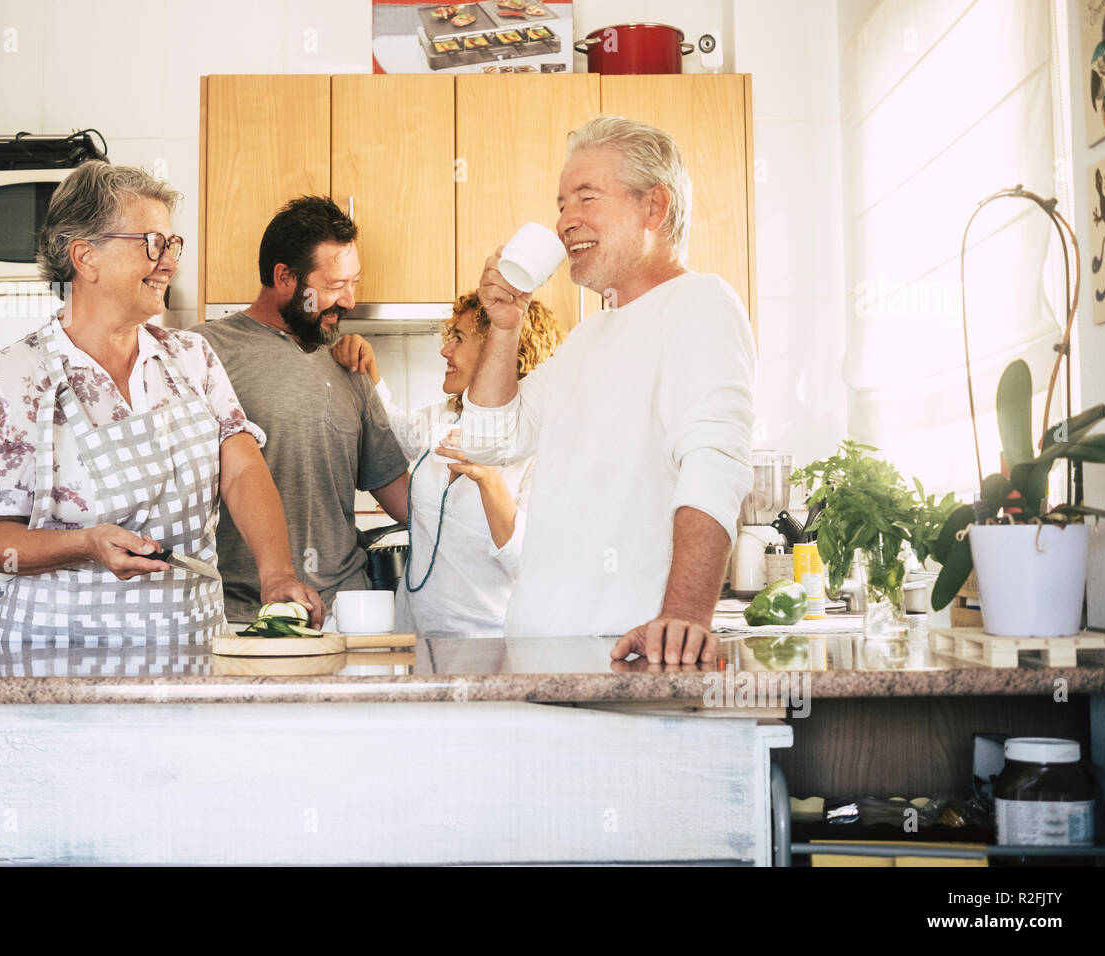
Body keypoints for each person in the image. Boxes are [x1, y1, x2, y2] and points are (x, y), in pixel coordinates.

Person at [0, 161, 323, 644]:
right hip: (60, 655)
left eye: (172, 244)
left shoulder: (191, 357)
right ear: (86, 258)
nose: (169, 261)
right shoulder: (12, 377)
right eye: (152, 243)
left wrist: (276, 575)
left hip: (190, 642)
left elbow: (240, 467)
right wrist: (85, 544)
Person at [461, 115, 755, 664]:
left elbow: (715, 465)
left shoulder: (702, 305)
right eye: (561, 204)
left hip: (628, 658)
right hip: (538, 656)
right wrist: (504, 328)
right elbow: (487, 442)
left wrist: (686, 618)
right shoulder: (586, 338)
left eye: (586, 198)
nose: (565, 221)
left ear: (654, 208)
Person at [193, 196, 409, 622]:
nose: (348, 301)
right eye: (332, 286)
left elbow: (396, 489)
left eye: (354, 282)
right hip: (243, 615)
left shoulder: (349, 361)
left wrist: (486, 520)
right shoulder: (205, 352)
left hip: (346, 612)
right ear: (284, 277)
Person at [332, 291, 565, 637]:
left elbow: (531, 564)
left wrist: (488, 478)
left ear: (498, 351)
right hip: (414, 639)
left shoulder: (541, 444)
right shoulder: (448, 416)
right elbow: (392, 431)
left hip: (491, 648)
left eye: (458, 338)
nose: (445, 350)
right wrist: (370, 373)